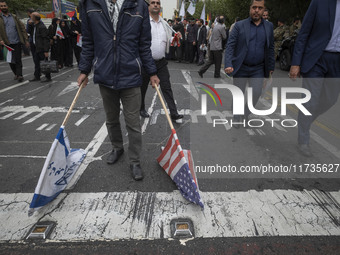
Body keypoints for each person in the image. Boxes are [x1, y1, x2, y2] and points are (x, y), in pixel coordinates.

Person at [77, 0, 160, 181]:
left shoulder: (139, 5)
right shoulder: (89, 4)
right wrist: (84, 70)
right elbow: (88, 42)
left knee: (133, 123)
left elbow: (144, 44)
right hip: (105, 75)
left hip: (130, 76)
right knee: (111, 119)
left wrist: (152, 72)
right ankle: (117, 147)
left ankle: (135, 161)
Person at [289, 0, 340, 157]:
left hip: (337, 61)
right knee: (311, 100)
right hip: (316, 59)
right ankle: (303, 140)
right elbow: (304, 32)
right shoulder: (319, 2)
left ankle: (305, 121)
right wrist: (296, 63)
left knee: (330, 100)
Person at [224, 0, 275, 128]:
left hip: (258, 68)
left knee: (257, 92)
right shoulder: (239, 26)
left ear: (264, 10)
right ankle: (237, 116)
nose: (256, 10)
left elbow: (270, 48)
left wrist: (270, 68)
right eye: (254, 7)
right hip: (241, 66)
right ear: (250, 9)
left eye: (260, 8)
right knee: (239, 93)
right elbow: (230, 46)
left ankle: (246, 112)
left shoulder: (269, 27)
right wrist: (228, 63)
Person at [140, 0, 183, 122]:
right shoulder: (143, 22)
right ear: (148, 6)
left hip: (161, 62)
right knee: (142, 88)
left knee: (167, 87)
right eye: (153, 2)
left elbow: (169, 41)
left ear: (160, 7)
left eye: (158, 3)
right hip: (145, 62)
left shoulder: (165, 24)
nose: (155, 5)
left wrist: (175, 38)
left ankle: (174, 113)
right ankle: (141, 108)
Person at [0, 0, 29, 82]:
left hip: (16, 41)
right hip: (6, 43)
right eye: (1, 6)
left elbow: (22, 28)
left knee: (18, 59)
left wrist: (25, 39)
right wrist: (0, 40)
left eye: (4, 5)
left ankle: (20, 75)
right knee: (10, 60)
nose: (3, 7)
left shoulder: (14, 17)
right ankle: (16, 73)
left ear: (7, 6)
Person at [29, 12, 51, 82]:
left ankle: (48, 77)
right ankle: (37, 76)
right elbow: (29, 31)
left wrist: (46, 50)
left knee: (45, 63)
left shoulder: (41, 27)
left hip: (42, 48)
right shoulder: (34, 25)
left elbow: (46, 39)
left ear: (35, 18)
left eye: (31, 17)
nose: (30, 18)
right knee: (36, 62)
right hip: (36, 47)